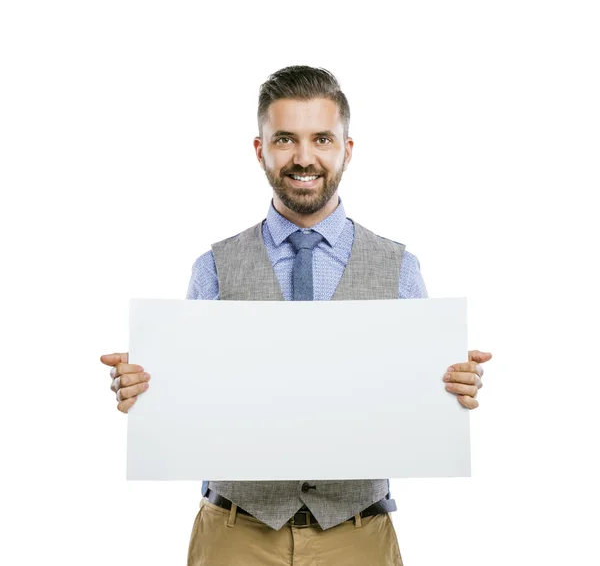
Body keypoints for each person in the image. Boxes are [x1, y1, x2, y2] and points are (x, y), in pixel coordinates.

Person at [100, 65, 492, 566]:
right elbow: (187, 396)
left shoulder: (400, 268)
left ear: (346, 150)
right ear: (260, 149)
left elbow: (420, 397)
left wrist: (456, 387)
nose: (304, 158)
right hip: (234, 532)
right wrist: (145, 387)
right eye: (285, 139)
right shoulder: (214, 267)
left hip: (359, 532)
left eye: (322, 139)